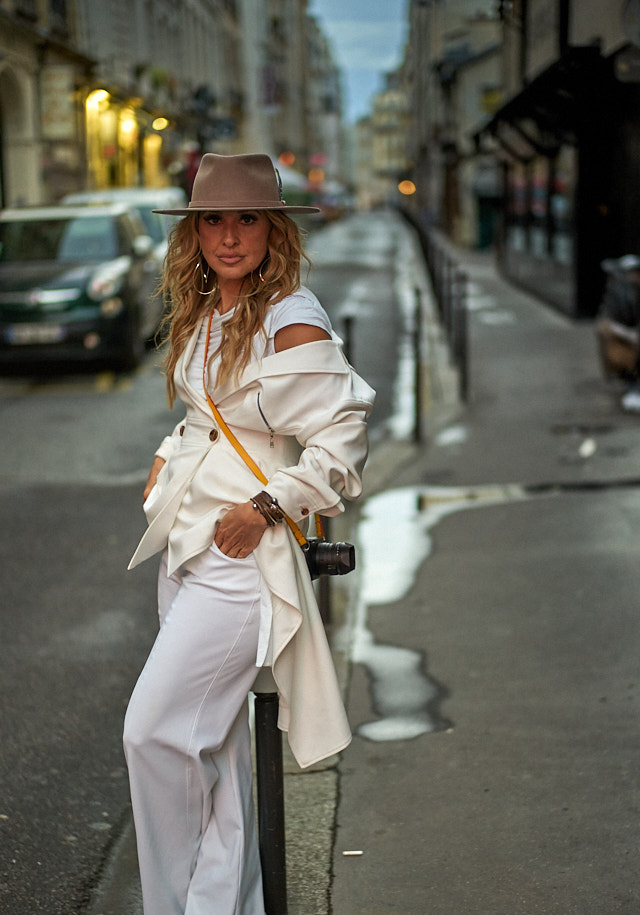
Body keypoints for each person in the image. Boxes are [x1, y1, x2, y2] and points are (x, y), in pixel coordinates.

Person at [123, 153, 375, 915]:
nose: (229, 236)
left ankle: (178, 905)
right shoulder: (209, 307)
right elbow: (207, 415)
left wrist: (266, 506)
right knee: (217, 745)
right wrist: (166, 457)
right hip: (189, 545)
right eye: (213, 220)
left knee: (154, 733)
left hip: (244, 557)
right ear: (194, 231)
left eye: (247, 219)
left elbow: (342, 439)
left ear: (274, 229)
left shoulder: (290, 315)